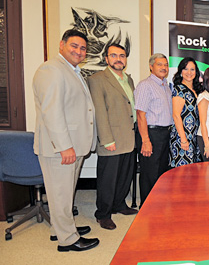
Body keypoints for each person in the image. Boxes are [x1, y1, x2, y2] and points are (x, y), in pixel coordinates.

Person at [32, 29, 99, 252]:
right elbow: (52, 112)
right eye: (74, 46)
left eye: (82, 48)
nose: (79, 51)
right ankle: (68, 240)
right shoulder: (51, 69)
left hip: (73, 144)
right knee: (60, 193)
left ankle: (60, 228)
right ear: (61, 45)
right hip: (60, 148)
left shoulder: (72, 71)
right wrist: (64, 147)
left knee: (65, 192)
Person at [87, 44, 138, 230]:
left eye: (122, 55)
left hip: (129, 137)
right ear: (106, 58)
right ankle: (103, 214)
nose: (119, 59)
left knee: (124, 176)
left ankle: (119, 204)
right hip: (112, 139)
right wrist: (106, 139)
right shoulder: (97, 80)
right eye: (114, 55)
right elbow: (99, 112)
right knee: (107, 179)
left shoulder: (128, 79)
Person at [134, 53, 172, 206]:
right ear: (151, 67)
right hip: (151, 134)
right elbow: (140, 114)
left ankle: (157, 205)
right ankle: (147, 208)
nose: (163, 67)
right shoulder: (145, 85)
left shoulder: (165, 86)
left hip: (164, 134)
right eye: (159, 64)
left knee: (161, 173)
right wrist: (145, 140)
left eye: (165, 65)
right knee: (149, 174)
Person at [169, 57, 203, 167]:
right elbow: (176, 115)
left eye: (192, 69)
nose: (189, 72)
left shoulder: (197, 90)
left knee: (193, 173)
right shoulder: (179, 89)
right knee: (182, 175)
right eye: (185, 69)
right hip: (182, 139)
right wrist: (183, 139)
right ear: (180, 71)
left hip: (194, 138)